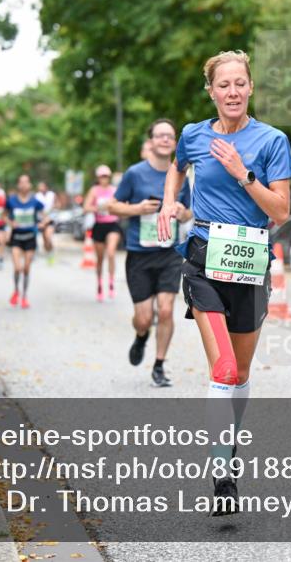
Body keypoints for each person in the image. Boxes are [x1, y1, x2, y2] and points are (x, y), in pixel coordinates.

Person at [158, 50, 291, 515]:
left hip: (250, 263)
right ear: (211, 91)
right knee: (224, 370)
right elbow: (177, 167)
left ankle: (228, 449)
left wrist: (244, 174)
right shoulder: (194, 135)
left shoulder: (273, 140)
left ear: (251, 87)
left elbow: (281, 211)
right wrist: (169, 202)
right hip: (203, 258)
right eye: (223, 85)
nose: (232, 92)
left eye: (240, 83)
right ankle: (222, 473)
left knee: (241, 374)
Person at [112, 118, 193, 387]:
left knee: (166, 310)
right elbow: (113, 206)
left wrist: (182, 212)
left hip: (169, 253)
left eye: (170, 135)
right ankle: (141, 335)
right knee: (144, 318)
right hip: (139, 254)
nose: (165, 139)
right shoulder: (135, 174)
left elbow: (189, 212)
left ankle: (159, 365)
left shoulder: (180, 174)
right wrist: (137, 209)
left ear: (175, 142)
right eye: (160, 135)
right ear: (152, 140)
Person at [6, 174, 47, 309]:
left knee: (26, 268)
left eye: (26, 182)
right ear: (18, 185)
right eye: (21, 182)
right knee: (17, 268)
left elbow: (44, 216)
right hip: (16, 238)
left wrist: (42, 223)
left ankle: (24, 296)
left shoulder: (35, 201)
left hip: (30, 238)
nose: (24, 185)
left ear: (30, 185)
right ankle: (16, 290)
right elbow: (4, 215)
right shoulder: (11, 201)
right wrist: (11, 223)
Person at [84, 165, 122, 301]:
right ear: (98, 178)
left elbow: (121, 205)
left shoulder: (114, 190)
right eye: (102, 176)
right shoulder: (94, 190)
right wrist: (98, 208)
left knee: (111, 253)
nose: (104, 179)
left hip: (113, 225)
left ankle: (111, 282)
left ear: (109, 177)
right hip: (99, 225)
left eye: (106, 176)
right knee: (100, 259)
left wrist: (113, 207)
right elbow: (86, 207)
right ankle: (100, 283)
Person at [35, 181, 57, 265]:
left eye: (42, 186)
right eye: (39, 187)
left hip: (50, 218)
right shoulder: (37, 196)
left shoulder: (52, 195)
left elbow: (57, 204)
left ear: (46, 187)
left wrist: (54, 208)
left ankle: (51, 253)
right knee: (45, 240)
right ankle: (48, 252)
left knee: (48, 237)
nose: (41, 188)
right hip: (41, 219)